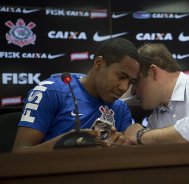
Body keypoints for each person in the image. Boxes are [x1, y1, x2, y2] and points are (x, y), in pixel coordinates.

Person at [12, 38, 140, 153]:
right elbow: (18, 155)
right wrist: (62, 143)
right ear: (99, 63)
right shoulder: (50, 92)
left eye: (131, 82)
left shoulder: (120, 108)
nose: (124, 87)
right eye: (121, 76)